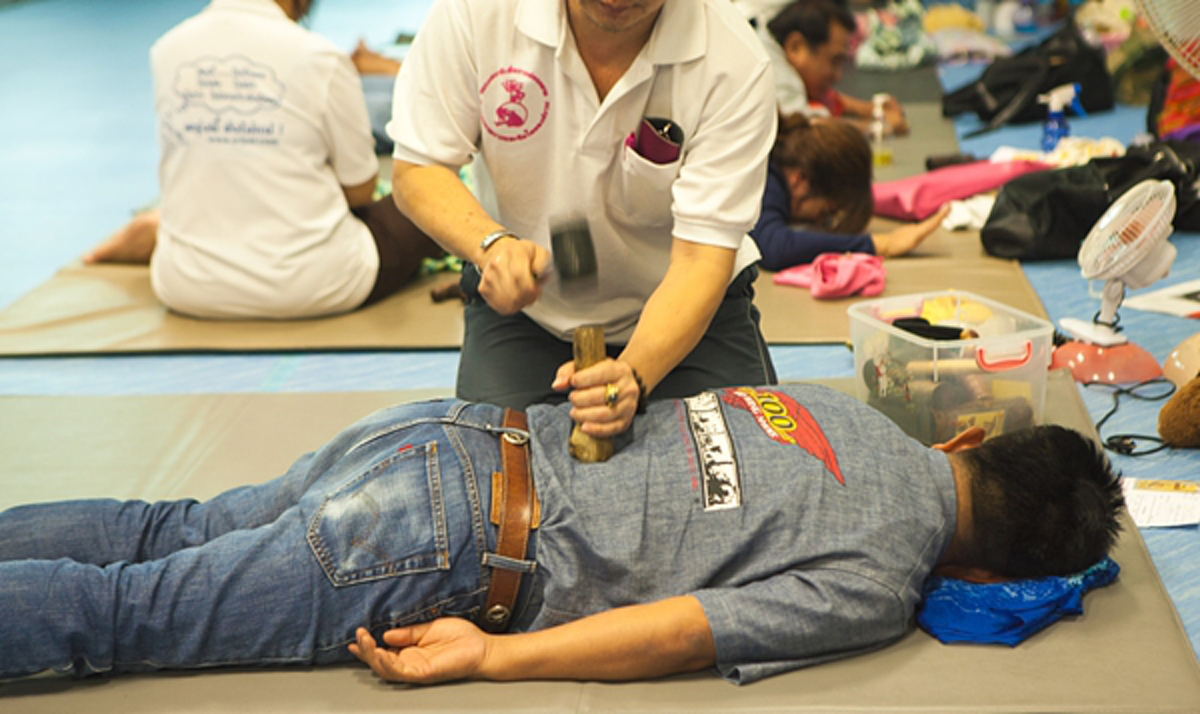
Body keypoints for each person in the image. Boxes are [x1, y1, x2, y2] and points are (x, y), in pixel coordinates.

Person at [0, 384, 1125, 685]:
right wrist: (492, 654)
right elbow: (684, 632)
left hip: (443, 434)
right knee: (125, 618)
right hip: (447, 534)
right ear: (984, 573)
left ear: (966, 442)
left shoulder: (848, 408)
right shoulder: (880, 586)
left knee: (165, 527)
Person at [385, 0, 779, 435]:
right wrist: (491, 245)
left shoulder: (733, 59)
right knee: (493, 476)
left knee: (744, 469)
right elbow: (418, 168)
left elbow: (700, 259)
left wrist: (631, 373)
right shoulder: (478, 13)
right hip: (528, 312)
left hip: (693, 314)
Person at [85, 0, 445, 320]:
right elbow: (360, 192)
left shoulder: (166, 49)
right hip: (315, 286)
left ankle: (166, 229)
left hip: (185, 286)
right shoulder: (321, 57)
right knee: (427, 200)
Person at [752, 113, 948, 271]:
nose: (818, 222)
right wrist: (881, 244)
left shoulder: (769, 150)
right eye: (825, 213)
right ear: (801, 180)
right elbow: (775, 248)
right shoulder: (765, 173)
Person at [740, 0, 909, 136]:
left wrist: (870, 109)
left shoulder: (768, 40)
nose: (837, 76)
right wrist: (878, 127)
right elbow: (804, 127)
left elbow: (826, 99)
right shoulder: (769, 68)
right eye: (834, 61)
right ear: (796, 47)